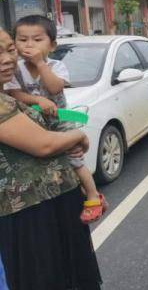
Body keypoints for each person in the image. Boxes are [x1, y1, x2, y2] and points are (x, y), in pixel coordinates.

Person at [0, 27, 102, 290]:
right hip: (27, 218)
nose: (7, 58)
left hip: (48, 207)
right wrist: (77, 136)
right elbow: (43, 145)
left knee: (55, 289)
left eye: (9, 49)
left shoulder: (11, 91)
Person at [5, 15, 107, 224]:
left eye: (37, 40)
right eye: (22, 40)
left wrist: (41, 64)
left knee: (75, 158)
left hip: (59, 119)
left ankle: (92, 195)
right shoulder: (15, 69)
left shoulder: (56, 65)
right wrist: (37, 100)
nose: (29, 45)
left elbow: (54, 88)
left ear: (52, 45)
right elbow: (14, 94)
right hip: (33, 123)